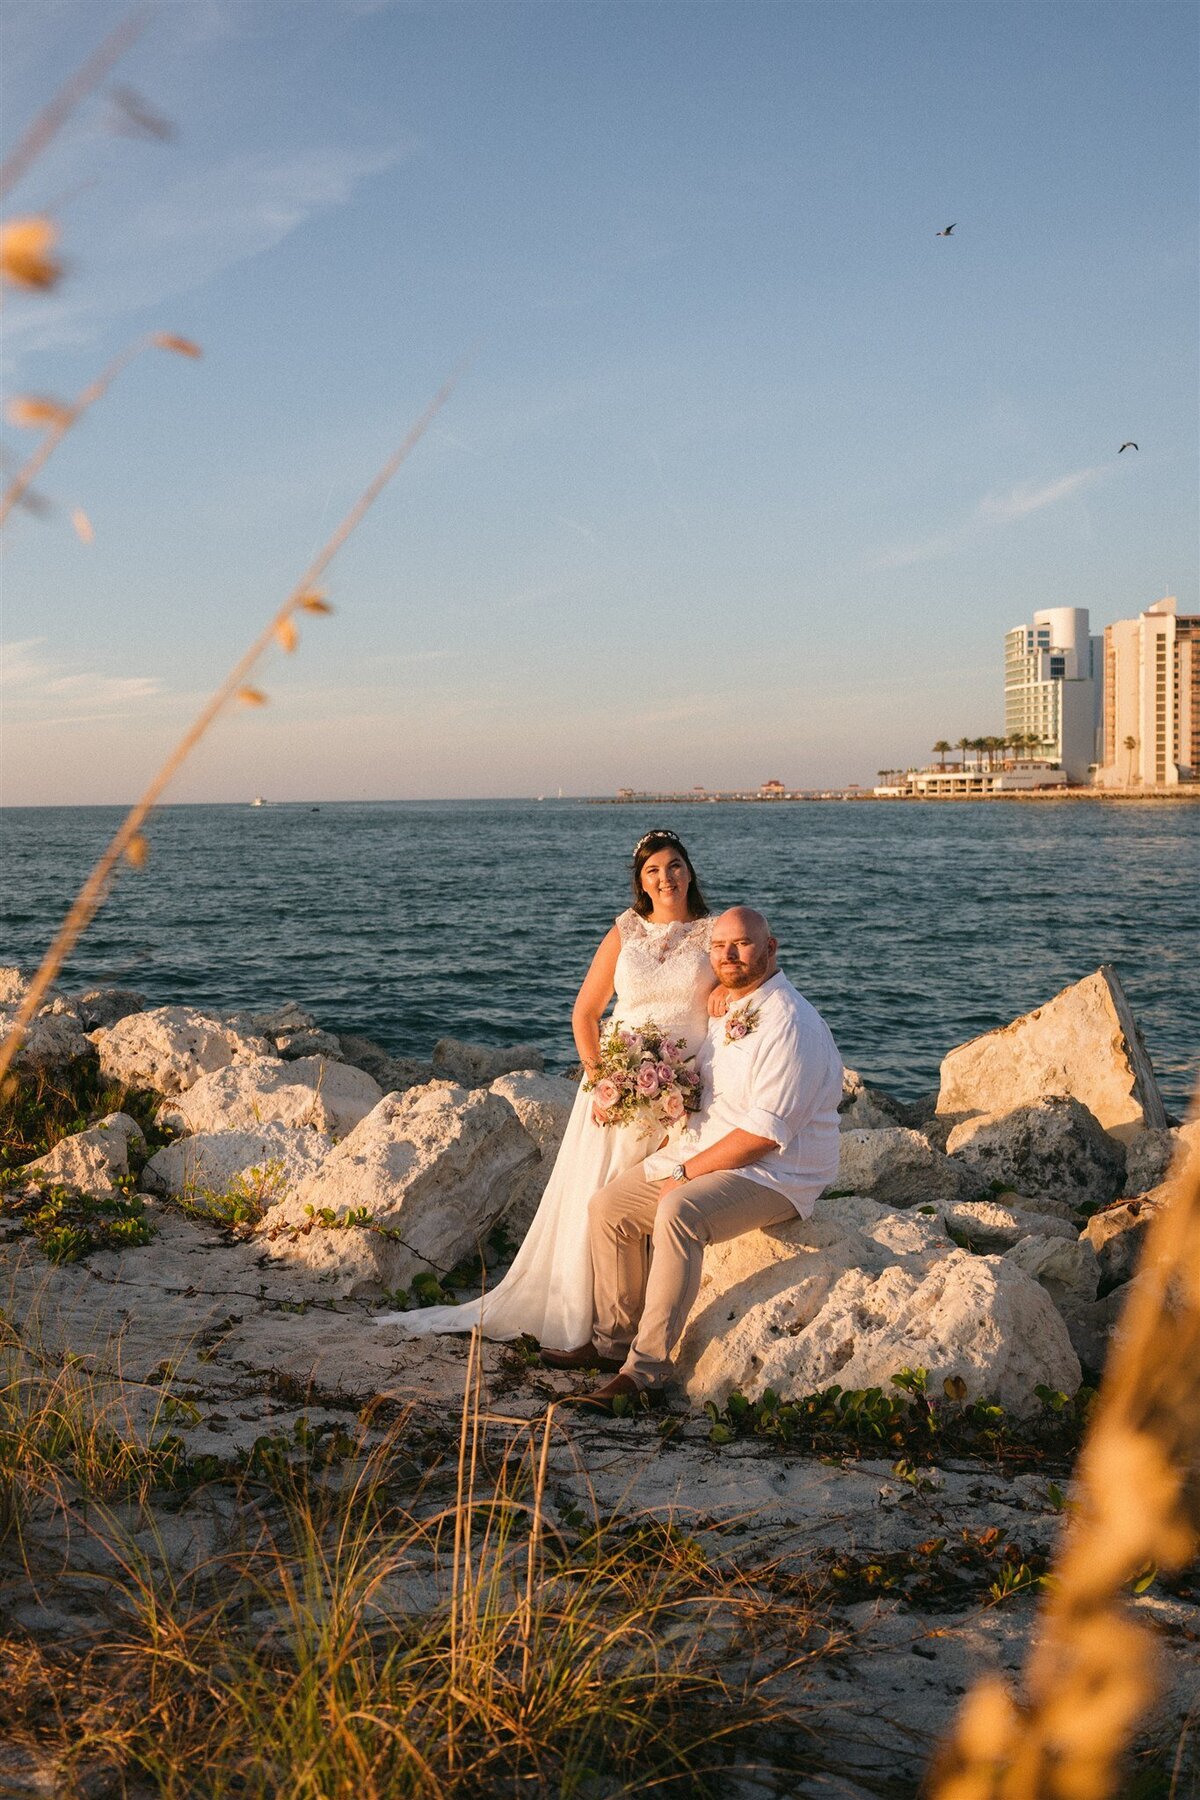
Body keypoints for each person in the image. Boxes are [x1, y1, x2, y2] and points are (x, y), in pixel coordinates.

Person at [376, 830, 716, 1350]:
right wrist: (602, 1079)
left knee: (653, 1196)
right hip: (616, 1086)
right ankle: (587, 1316)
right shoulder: (625, 930)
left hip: (682, 1089)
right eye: (653, 871)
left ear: (689, 871)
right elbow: (585, 1013)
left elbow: (747, 980)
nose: (665, 878)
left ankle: (644, 1321)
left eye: (674, 866)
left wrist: (726, 999)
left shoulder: (715, 932)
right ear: (641, 882)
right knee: (598, 1195)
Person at [542, 906, 843, 1404]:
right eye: (719, 946)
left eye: (742, 944)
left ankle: (645, 1373)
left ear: (771, 948)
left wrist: (685, 1171)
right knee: (609, 1208)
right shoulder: (730, 1009)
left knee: (679, 1211)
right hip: (710, 1150)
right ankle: (613, 1344)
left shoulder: (791, 1023)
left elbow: (764, 1135)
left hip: (776, 1173)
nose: (728, 955)